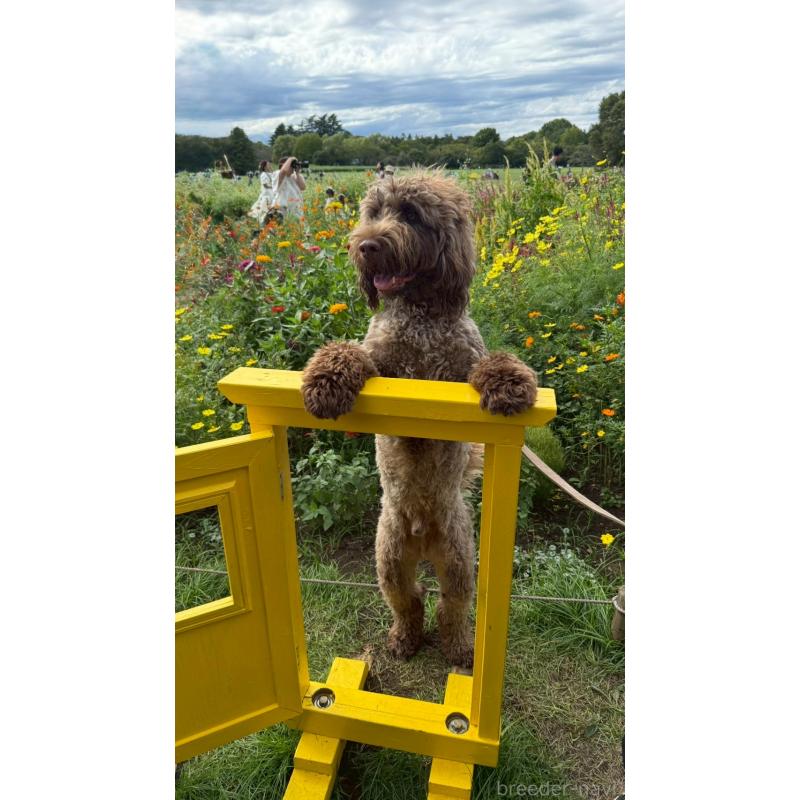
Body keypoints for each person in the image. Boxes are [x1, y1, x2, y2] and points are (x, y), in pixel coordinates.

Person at [248, 160, 274, 226]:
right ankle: (263, 223)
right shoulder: (263, 174)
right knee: (264, 210)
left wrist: (271, 169)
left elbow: (273, 175)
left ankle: (269, 222)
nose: (270, 166)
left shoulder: (269, 173)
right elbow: (265, 185)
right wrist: (273, 186)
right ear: (265, 167)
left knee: (270, 209)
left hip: (271, 193)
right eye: (268, 165)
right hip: (266, 193)